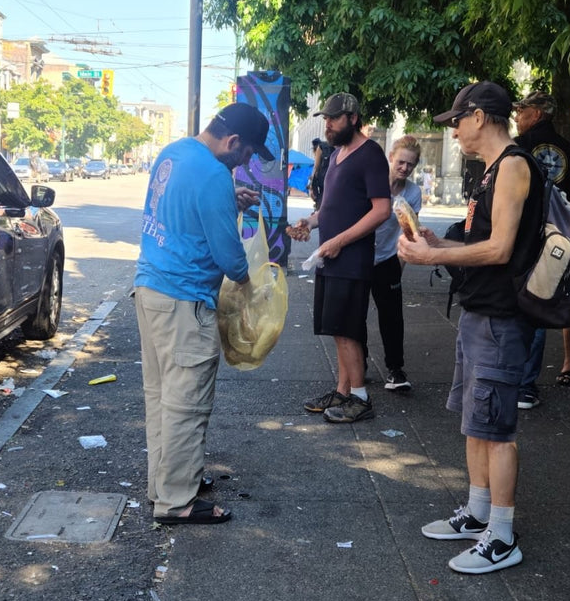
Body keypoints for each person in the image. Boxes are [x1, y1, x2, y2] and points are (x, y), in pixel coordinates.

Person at [399, 81, 542, 573]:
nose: (455, 131)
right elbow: (485, 241)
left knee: (497, 430)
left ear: (479, 117)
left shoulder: (515, 166)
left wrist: (431, 257)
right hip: (480, 314)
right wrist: (439, 244)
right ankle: (478, 513)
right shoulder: (492, 170)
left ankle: (501, 535)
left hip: (502, 319)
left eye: (457, 121)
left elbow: (500, 249)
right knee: (475, 421)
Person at [134, 102, 273, 526]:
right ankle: (177, 501)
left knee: (161, 398)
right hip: (185, 301)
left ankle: (164, 484)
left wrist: (229, 201)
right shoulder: (214, 175)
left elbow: (185, 209)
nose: (246, 163)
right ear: (233, 141)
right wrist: (251, 287)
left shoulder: (173, 152)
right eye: (247, 153)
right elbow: (230, 259)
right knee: (187, 405)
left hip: (150, 290)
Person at [288, 93, 391, 423]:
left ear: (353, 118)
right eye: (326, 119)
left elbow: (382, 210)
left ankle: (360, 398)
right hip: (330, 257)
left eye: (334, 118)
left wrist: (340, 241)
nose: (328, 125)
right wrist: (310, 222)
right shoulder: (335, 155)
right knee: (337, 327)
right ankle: (343, 391)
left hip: (351, 259)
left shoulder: (370, 154)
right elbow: (330, 207)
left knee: (347, 329)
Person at [512, 90, 570, 403]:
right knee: (542, 299)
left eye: (521, 111)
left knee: (521, 303)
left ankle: (517, 380)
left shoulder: (518, 148)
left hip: (525, 237)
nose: (517, 117)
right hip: (561, 241)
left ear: (536, 114)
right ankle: (527, 384)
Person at [369, 136, 422, 391]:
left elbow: (409, 232)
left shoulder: (412, 193)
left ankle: (395, 370)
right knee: (354, 314)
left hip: (388, 258)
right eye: (401, 162)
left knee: (392, 317)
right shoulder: (373, 181)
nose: (404, 168)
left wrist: (399, 266)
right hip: (360, 255)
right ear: (391, 157)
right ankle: (358, 364)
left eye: (410, 164)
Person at [308, 136, 333, 209]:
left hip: (323, 184)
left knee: (321, 206)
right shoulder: (335, 147)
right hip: (334, 182)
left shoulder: (320, 148)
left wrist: (311, 187)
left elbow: (315, 168)